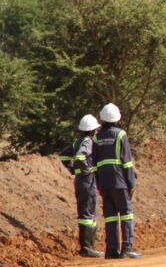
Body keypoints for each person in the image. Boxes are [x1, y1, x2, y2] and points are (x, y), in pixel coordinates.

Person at [93, 103, 142, 258]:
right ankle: (127, 249)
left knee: (111, 215)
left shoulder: (96, 137)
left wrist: (98, 184)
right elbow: (127, 162)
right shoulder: (121, 135)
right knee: (126, 213)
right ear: (117, 119)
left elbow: (94, 163)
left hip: (104, 182)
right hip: (119, 180)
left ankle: (111, 250)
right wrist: (131, 183)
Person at [58, 113, 104, 257]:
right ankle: (87, 248)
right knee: (88, 214)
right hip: (87, 181)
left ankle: (88, 247)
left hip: (80, 181)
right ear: (92, 130)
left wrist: (72, 168)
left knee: (86, 213)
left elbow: (63, 155)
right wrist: (86, 169)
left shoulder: (77, 142)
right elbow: (79, 156)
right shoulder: (88, 142)